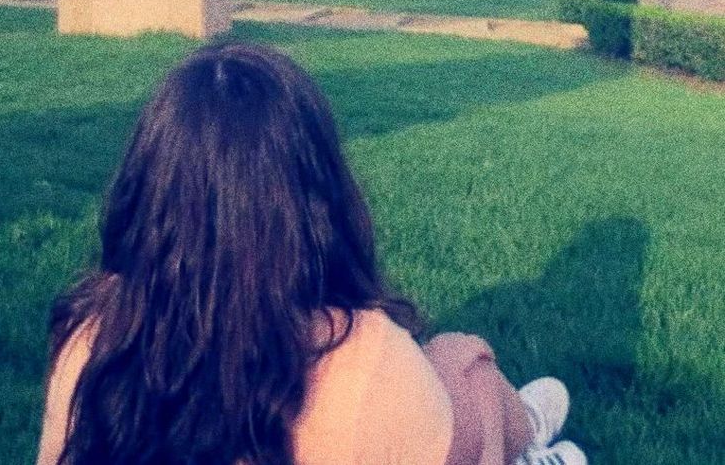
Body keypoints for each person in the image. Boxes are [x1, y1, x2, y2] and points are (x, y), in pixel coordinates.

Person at [36, 43, 586, 465]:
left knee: (450, 371)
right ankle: (530, 441)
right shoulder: (368, 355)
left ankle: (528, 431)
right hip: (409, 409)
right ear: (315, 196)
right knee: (463, 365)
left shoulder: (92, 338)